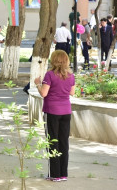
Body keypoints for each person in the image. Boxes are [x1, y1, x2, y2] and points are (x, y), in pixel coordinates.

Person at [34, 50, 75, 182]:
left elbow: (44, 94)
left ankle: (54, 174)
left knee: (52, 142)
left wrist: (37, 84)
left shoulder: (50, 75)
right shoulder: (71, 76)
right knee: (64, 142)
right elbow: (72, 93)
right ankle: (63, 174)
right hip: (66, 111)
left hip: (52, 111)